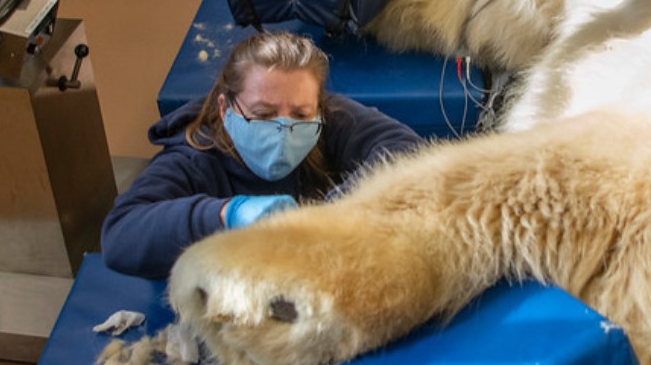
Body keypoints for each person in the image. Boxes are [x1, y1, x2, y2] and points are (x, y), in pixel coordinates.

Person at [101, 32, 421, 279]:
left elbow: (408, 152)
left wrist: (336, 208)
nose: (283, 128)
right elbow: (120, 235)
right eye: (264, 114)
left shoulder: (327, 119)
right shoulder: (194, 157)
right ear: (226, 107)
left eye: (299, 114)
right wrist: (227, 215)